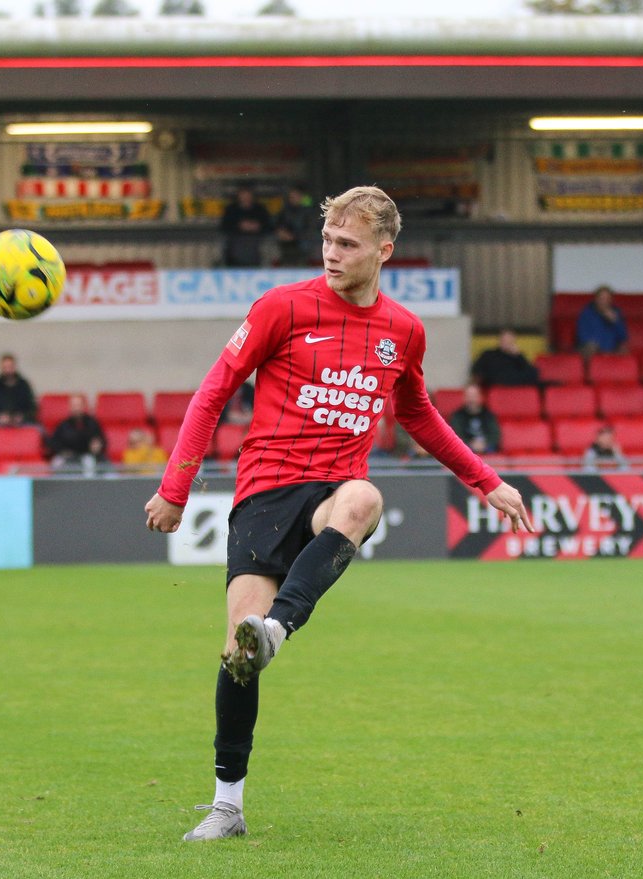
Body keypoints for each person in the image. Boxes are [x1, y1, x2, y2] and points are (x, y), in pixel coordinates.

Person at [143, 185, 532, 842]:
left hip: (332, 491)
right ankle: (227, 805)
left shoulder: (402, 330)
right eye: (326, 240)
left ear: (384, 250)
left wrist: (484, 479)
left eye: (346, 244)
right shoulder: (282, 307)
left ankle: (279, 630)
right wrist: (176, 484)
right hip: (264, 493)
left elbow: (418, 414)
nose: (331, 253)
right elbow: (214, 391)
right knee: (236, 651)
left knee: (365, 497)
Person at [0, 353, 37, 438]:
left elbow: (33, 409)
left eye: (10, 367)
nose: (8, 370)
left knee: (39, 431)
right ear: (1, 368)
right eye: (5, 367)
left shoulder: (24, 385)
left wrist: (22, 417)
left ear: (15, 367)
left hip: (22, 423)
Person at [47, 393, 107, 470]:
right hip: (67, 456)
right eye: (74, 406)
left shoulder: (92, 423)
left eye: (79, 405)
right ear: (70, 407)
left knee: (90, 464)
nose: (76, 408)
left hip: (87, 455)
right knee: (56, 464)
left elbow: (102, 441)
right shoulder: (63, 425)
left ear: (83, 406)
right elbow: (54, 443)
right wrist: (62, 451)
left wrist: (98, 446)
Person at [219, 185, 273, 268]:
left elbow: (269, 227)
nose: (245, 198)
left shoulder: (260, 209)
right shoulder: (231, 209)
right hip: (236, 241)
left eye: (248, 195)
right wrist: (240, 226)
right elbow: (224, 227)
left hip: (257, 241)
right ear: (238, 196)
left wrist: (257, 227)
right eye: (243, 195)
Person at [470, 329, 540, 387]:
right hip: (494, 389)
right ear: (499, 340)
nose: (506, 342)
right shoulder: (488, 355)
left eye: (509, 340)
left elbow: (533, 375)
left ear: (513, 341)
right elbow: (476, 370)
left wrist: (519, 356)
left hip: (516, 391)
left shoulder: (519, 358)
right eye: (503, 339)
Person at [575, 285, 629, 357]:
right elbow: (582, 335)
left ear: (611, 300)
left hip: (612, 348)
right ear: (596, 299)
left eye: (607, 299)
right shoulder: (586, 313)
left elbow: (623, 336)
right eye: (601, 298)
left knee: (624, 350)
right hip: (590, 347)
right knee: (591, 348)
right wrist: (597, 345)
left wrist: (615, 322)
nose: (604, 302)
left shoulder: (616, 313)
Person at [448, 383, 501, 454]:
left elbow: (495, 435)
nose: (471, 399)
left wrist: (484, 444)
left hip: (487, 449)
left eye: (474, 396)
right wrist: (471, 444)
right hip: (465, 450)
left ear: (480, 397)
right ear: (464, 398)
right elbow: (455, 436)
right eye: (469, 396)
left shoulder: (489, 415)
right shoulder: (457, 416)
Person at [274, 183, 318, 267]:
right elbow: (278, 225)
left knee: (309, 245)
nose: (294, 198)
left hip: (302, 241)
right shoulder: (285, 210)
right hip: (285, 242)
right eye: (291, 196)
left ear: (302, 196)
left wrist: (294, 236)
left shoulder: (310, 211)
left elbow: (311, 230)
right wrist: (281, 233)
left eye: (296, 195)